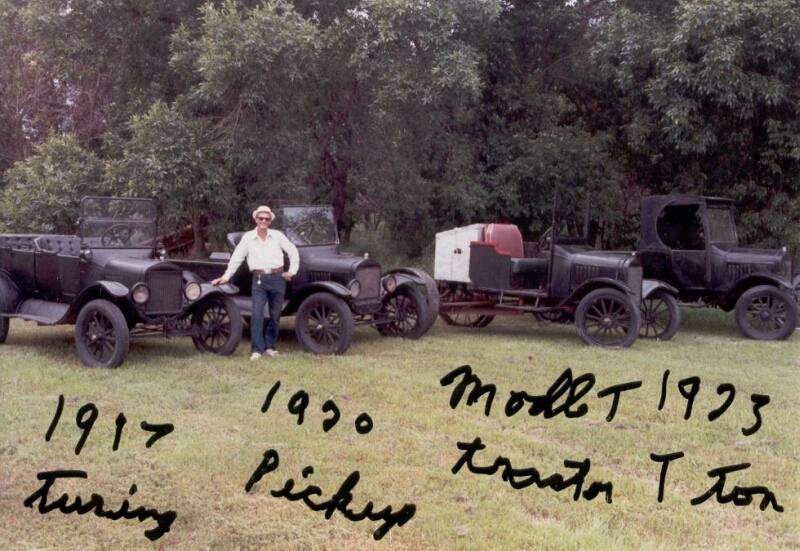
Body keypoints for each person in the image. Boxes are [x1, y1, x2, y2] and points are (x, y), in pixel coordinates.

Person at [211, 205, 299, 360]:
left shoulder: (277, 236)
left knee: (275, 315)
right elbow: (237, 257)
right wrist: (226, 277)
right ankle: (257, 350)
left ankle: (270, 347)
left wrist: (292, 271)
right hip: (259, 280)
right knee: (257, 315)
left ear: (270, 221)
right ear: (256, 219)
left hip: (278, 278)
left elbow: (292, 251)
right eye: (261, 218)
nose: (264, 221)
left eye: (267, 219)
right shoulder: (248, 238)